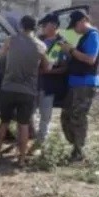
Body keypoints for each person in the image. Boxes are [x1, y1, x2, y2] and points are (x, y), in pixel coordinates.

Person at [0, 16, 50, 165]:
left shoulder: (11, 40)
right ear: (35, 27)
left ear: (20, 25)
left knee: (4, 122)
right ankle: (21, 159)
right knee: (23, 125)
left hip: (8, 88)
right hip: (28, 91)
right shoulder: (41, 46)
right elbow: (47, 66)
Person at [59, 10, 99, 163]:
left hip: (86, 83)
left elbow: (91, 59)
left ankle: (79, 151)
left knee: (78, 117)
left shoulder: (93, 35)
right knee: (66, 116)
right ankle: (75, 148)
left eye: (76, 24)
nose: (75, 29)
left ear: (85, 20)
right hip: (75, 83)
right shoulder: (81, 36)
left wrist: (71, 50)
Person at [34, 13, 68, 147]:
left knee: (45, 116)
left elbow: (65, 68)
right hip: (33, 84)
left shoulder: (61, 44)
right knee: (31, 114)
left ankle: (41, 143)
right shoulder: (37, 40)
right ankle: (33, 137)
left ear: (54, 26)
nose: (42, 28)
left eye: (45, 25)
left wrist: (49, 71)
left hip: (49, 86)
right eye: (42, 26)